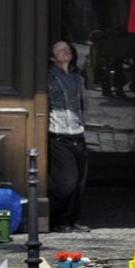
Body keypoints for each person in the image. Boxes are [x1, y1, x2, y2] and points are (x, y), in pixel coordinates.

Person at [47, 40, 90, 233]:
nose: (66, 51)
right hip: (59, 134)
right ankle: (58, 220)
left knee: (79, 182)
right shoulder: (48, 77)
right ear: (52, 57)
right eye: (60, 49)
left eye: (67, 48)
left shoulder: (76, 78)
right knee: (66, 181)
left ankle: (74, 220)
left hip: (78, 134)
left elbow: (83, 104)